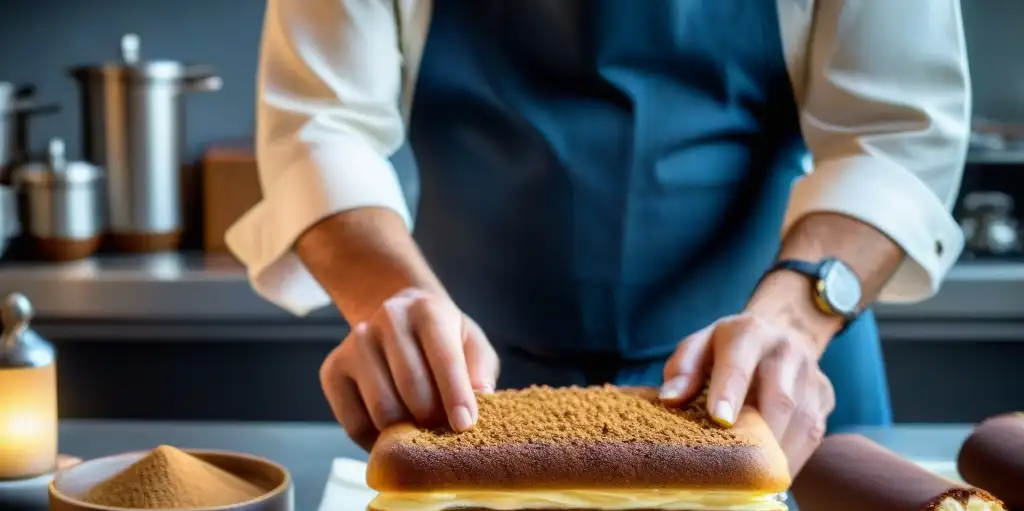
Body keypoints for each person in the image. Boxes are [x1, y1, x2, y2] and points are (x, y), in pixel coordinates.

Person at [227, 0, 970, 474]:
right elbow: (319, 126)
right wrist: (393, 299)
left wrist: (795, 321)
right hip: (468, 383)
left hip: (772, 377)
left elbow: (894, 133)